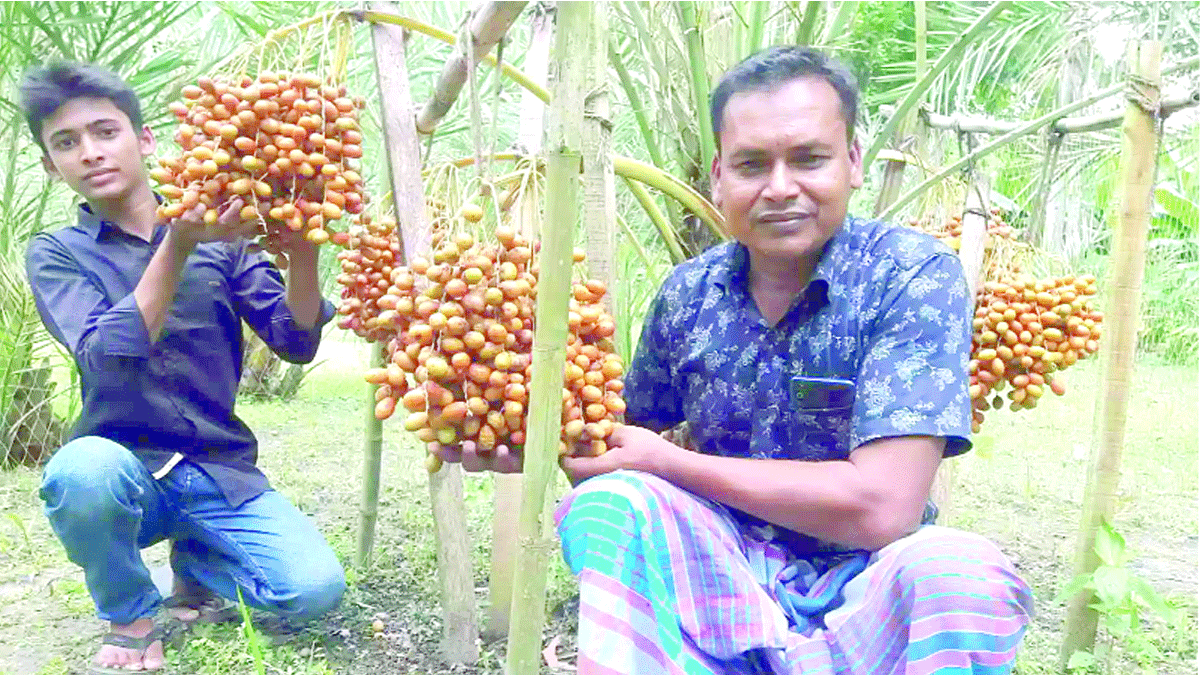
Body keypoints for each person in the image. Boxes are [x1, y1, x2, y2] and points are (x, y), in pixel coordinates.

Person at [438, 46, 1034, 673]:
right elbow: (619, 454)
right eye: (752, 165)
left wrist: (672, 463)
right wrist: (527, 436)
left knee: (964, 578)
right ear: (719, 176)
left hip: (867, 579)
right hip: (718, 568)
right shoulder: (688, 294)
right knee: (609, 508)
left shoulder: (910, 277)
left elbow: (884, 506)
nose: (780, 188)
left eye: (808, 159)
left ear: (853, 161)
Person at [20, 62, 346, 674]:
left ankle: (197, 564)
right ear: (49, 164)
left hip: (217, 470)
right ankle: (131, 615)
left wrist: (305, 252)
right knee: (82, 471)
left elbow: (293, 339)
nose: (89, 153)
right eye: (66, 143)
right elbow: (108, 357)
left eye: (105, 132)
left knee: (313, 591)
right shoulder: (56, 254)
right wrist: (178, 242)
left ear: (144, 140)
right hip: (124, 473)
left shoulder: (222, 232)